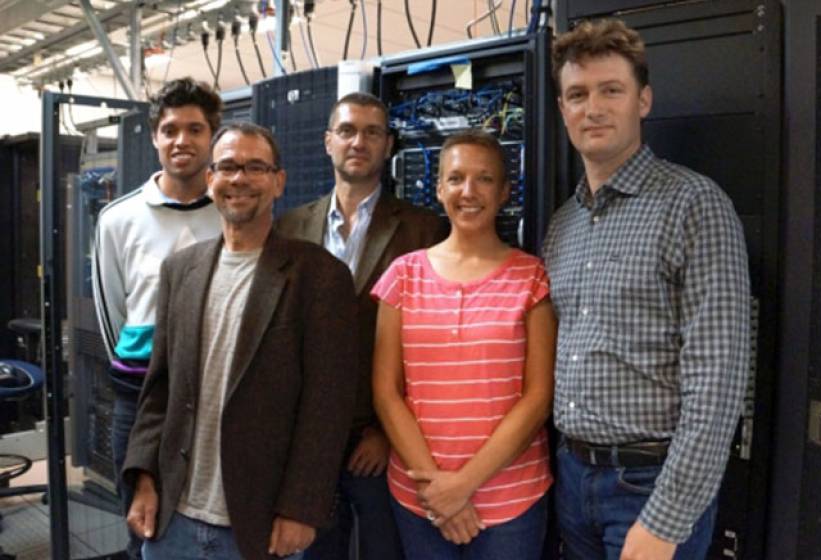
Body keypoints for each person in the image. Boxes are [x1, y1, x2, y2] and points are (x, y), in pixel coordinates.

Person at [544, 19, 751, 560]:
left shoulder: (694, 205)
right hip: (571, 476)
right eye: (577, 94)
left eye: (612, 90)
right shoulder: (563, 224)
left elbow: (719, 383)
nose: (593, 108)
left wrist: (667, 519)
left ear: (644, 100)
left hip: (649, 485)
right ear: (563, 109)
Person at [122, 123, 357, 560]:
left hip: (261, 523)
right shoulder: (180, 271)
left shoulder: (319, 276)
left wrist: (301, 509)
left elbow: (328, 407)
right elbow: (160, 391)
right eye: (227, 167)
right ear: (210, 179)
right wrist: (144, 480)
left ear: (278, 181)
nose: (239, 179)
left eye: (255, 167)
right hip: (172, 519)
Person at [372, 130, 557, 559]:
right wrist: (437, 490)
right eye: (455, 179)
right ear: (438, 189)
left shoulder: (532, 278)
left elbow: (537, 397)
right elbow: (386, 392)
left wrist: (463, 485)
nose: (468, 191)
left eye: (485, 179)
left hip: (511, 501)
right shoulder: (403, 275)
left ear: (505, 192)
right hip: (420, 498)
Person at [276, 92, 445, 560]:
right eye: (347, 131)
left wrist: (385, 430)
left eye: (372, 132)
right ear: (328, 141)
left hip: (378, 438)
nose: (359, 142)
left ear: (388, 145)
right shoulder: (289, 227)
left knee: (384, 551)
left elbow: (429, 346)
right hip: (308, 438)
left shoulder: (422, 230)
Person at [92, 77, 223, 559]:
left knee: (216, 526)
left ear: (213, 136)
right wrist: (145, 379)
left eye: (195, 129)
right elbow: (112, 315)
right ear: (154, 137)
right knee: (143, 527)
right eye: (170, 130)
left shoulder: (234, 212)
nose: (182, 141)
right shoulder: (118, 219)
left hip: (218, 399)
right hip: (142, 401)